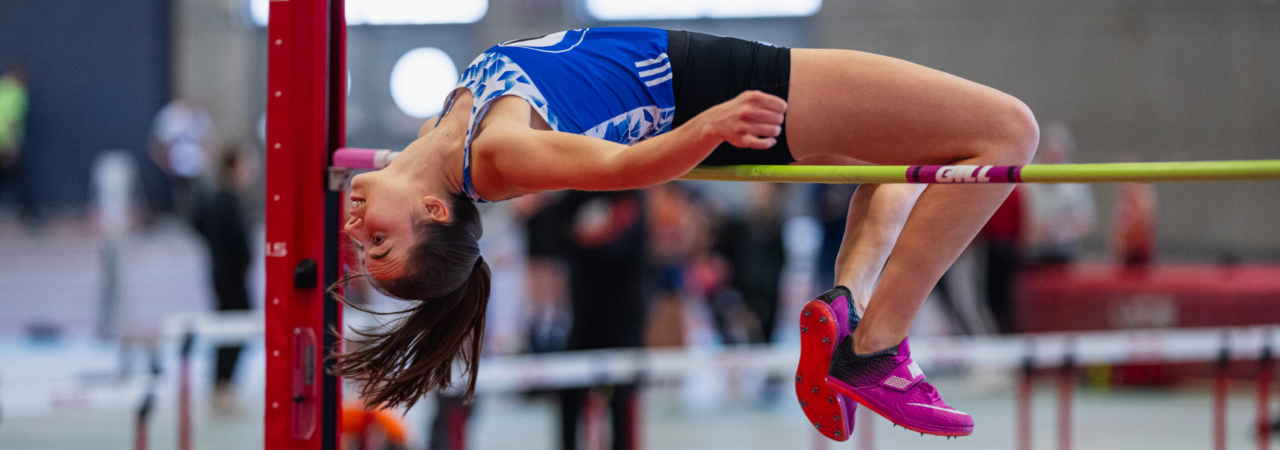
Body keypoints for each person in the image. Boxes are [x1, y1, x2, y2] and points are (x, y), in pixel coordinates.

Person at [334, 28, 1039, 440]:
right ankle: (877, 348)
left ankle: (844, 310)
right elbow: (619, 167)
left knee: (899, 172)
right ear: (432, 211)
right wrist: (712, 125)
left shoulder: (437, 134)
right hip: (720, 87)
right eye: (378, 246)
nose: (356, 229)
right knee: (1008, 131)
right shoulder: (490, 156)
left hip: (707, 88)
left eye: (366, 247)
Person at [192, 144, 255, 414]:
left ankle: (224, 385)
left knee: (236, 329)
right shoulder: (223, 202)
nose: (251, 170)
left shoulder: (228, 200)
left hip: (229, 275)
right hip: (228, 277)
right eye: (245, 164)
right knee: (232, 330)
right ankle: (222, 386)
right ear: (233, 168)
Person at [0, 62, 37, 226]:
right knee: (21, 182)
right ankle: (31, 218)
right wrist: (12, 147)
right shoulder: (17, 93)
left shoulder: (2, 88)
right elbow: (12, 121)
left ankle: (29, 216)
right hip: (5, 145)